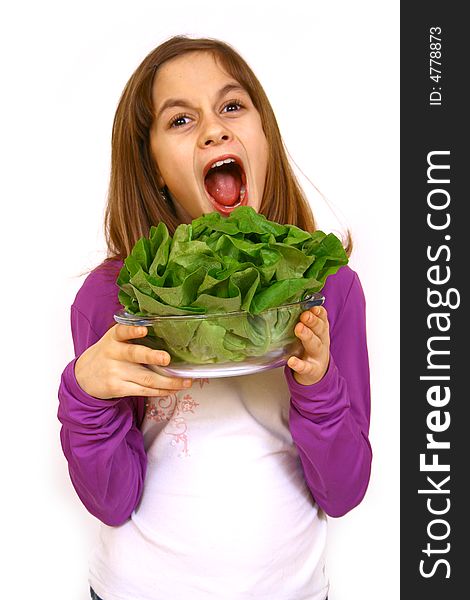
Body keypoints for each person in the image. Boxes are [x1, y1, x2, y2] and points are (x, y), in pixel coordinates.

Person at [58, 35, 372, 600]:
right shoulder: (115, 295)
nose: (214, 129)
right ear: (152, 167)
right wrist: (85, 394)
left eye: (232, 106)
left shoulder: (329, 289)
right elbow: (112, 501)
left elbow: (343, 492)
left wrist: (318, 385)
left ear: (264, 137)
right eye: (180, 120)